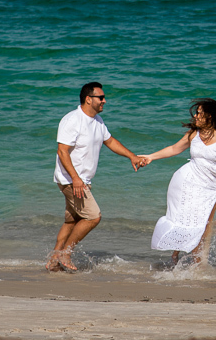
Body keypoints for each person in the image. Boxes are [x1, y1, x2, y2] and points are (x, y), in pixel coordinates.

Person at [49, 81, 148, 272]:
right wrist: (76, 179)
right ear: (88, 99)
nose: (104, 101)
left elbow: (110, 141)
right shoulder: (72, 120)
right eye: (100, 98)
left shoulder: (97, 121)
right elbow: (62, 152)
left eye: (103, 97)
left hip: (81, 180)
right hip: (72, 181)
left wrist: (132, 156)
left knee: (72, 221)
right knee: (93, 217)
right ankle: (65, 253)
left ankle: (53, 260)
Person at [145, 98, 216, 265]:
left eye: (199, 113)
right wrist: (150, 156)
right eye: (196, 112)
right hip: (187, 183)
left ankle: (198, 261)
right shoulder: (193, 134)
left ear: (210, 116)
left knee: (203, 225)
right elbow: (174, 149)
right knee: (183, 218)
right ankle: (182, 256)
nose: (195, 116)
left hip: (211, 188)